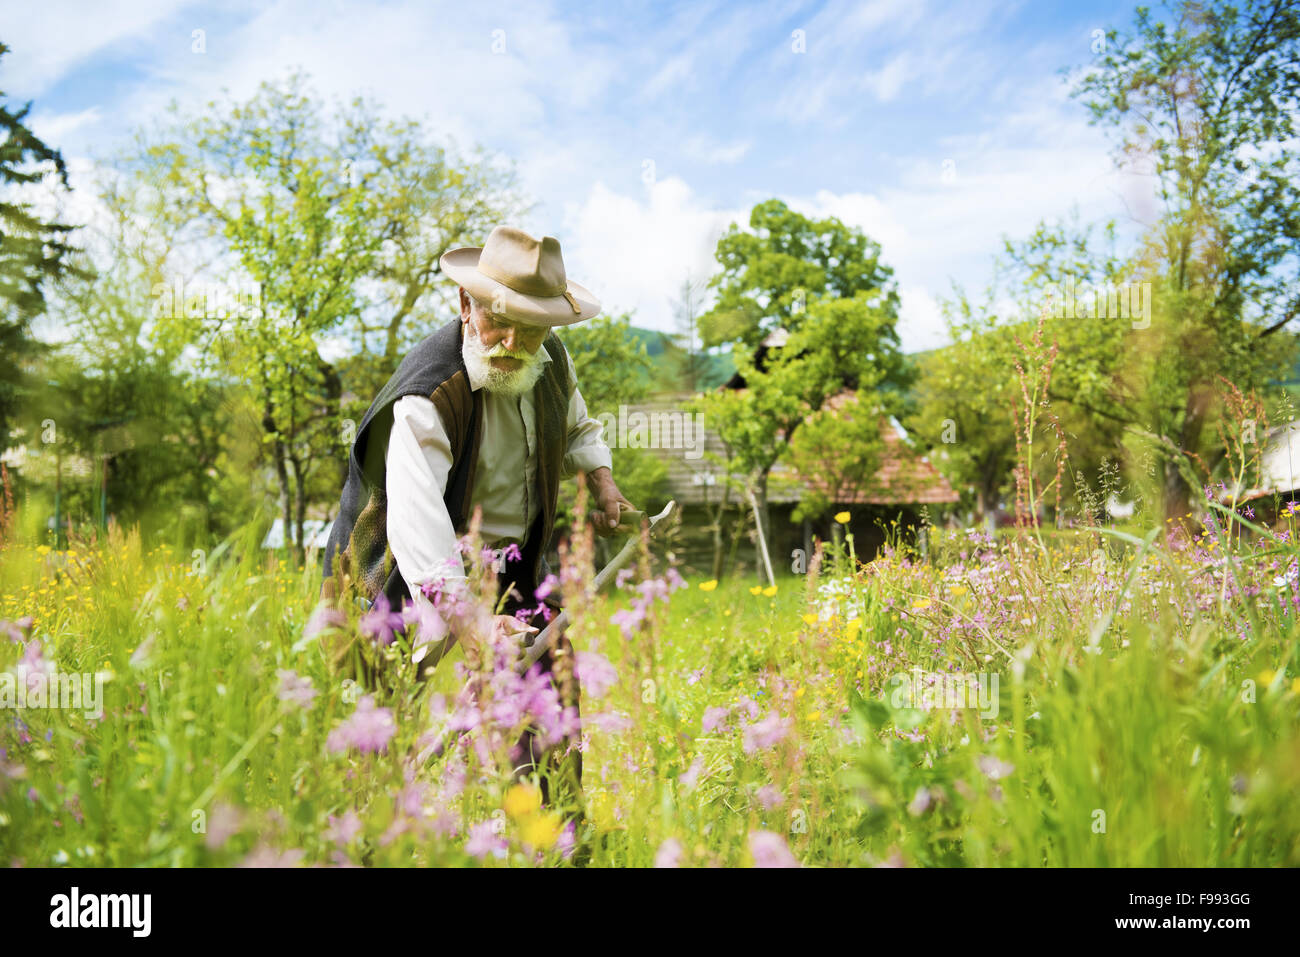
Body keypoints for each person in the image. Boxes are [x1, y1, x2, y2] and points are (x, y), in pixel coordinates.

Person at [321, 225, 635, 808]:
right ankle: (362, 836)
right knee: (374, 731)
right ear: (465, 304)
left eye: (533, 325)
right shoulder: (426, 397)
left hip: (510, 564)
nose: (513, 340)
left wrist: (602, 478)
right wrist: (473, 628)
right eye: (499, 317)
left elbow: (577, 424)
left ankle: (553, 836)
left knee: (547, 696)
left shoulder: (549, 358)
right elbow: (418, 535)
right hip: (395, 576)